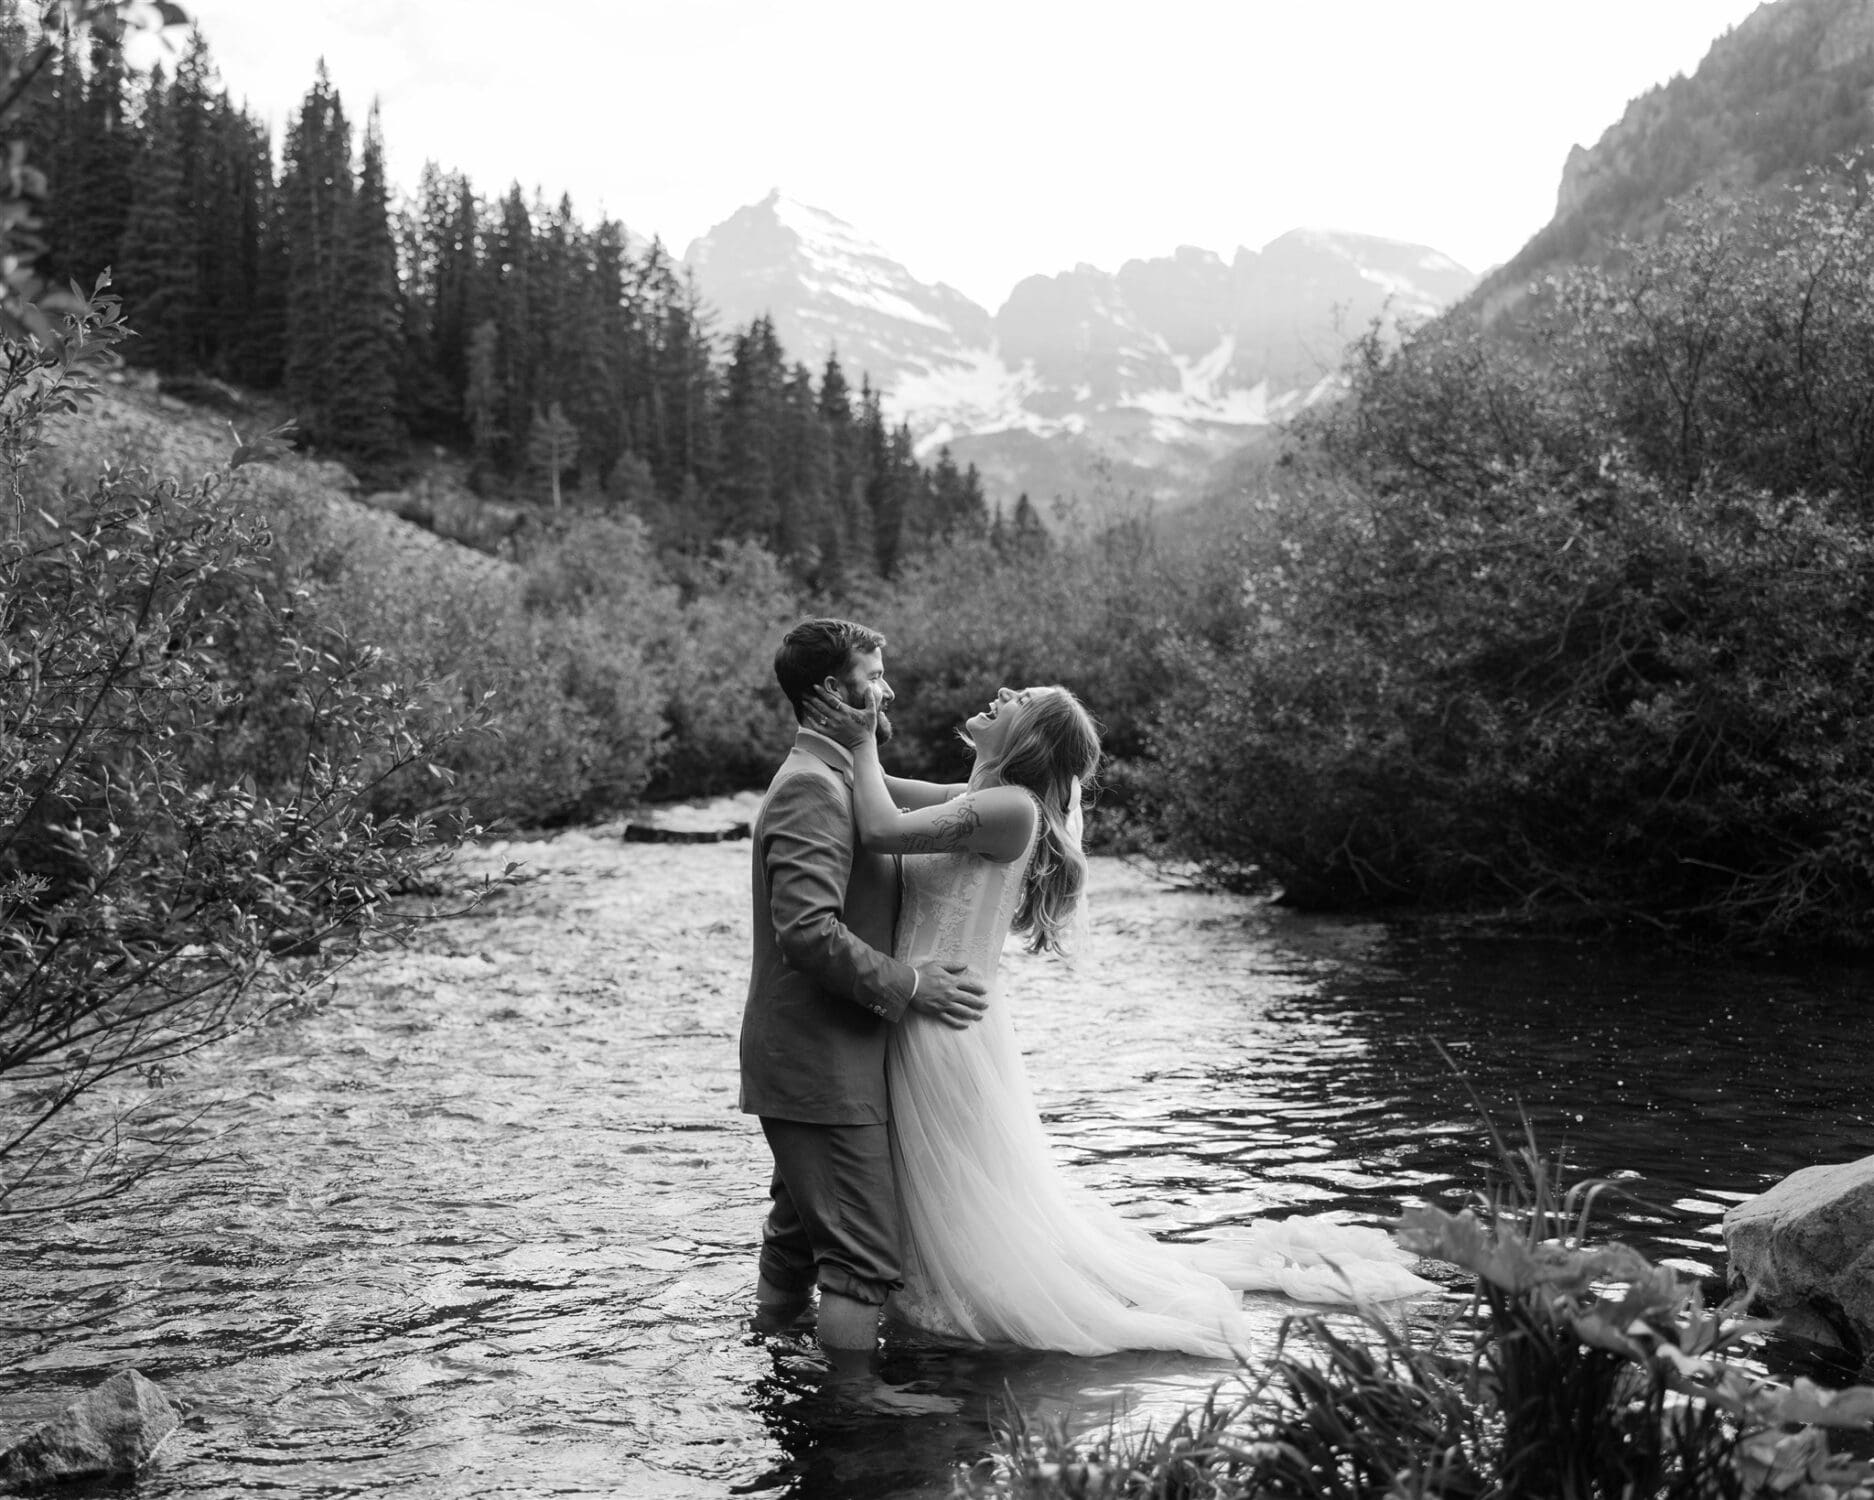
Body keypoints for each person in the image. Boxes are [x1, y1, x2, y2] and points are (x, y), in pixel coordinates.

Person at [801, 681, 1434, 1357]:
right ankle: (911, 1303)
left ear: (1029, 738)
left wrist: (862, 736)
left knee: (949, 1180)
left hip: (943, 1024)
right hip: (924, 1007)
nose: (1005, 690)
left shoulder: (1010, 808)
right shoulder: (974, 798)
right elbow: (877, 784)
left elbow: (878, 825)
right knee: (934, 1179)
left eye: (1022, 697)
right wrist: (831, 742)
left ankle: (947, 1317)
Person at [737, 618, 989, 1376]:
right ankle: (853, 1407)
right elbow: (808, 934)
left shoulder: (845, 774)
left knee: (797, 1231)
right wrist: (913, 987)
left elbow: (956, 803)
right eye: (873, 675)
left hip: (823, 1058)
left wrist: (1031, 776)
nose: (888, 689)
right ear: (827, 693)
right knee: (862, 1252)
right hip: (820, 1063)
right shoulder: (813, 788)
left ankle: (769, 1344)